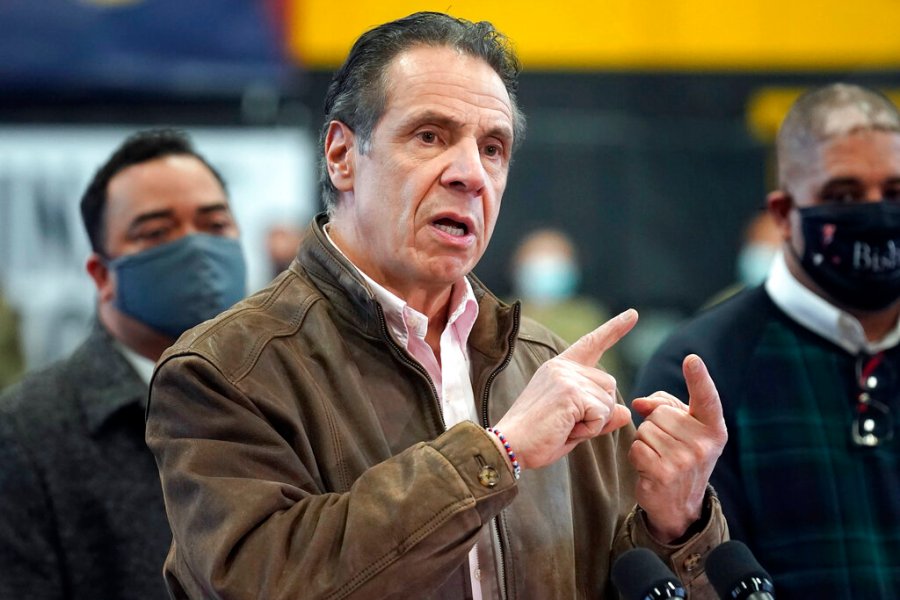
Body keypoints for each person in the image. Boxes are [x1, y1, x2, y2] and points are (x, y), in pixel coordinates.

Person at [146, 13, 728, 599]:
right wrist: (497, 453)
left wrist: (676, 526)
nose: (472, 174)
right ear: (342, 155)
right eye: (430, 136)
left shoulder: (547, 367)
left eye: (493, 148)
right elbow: (264, 582)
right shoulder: (224, 370)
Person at [634, 83, 900, 598]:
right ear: (782, 214)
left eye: (894, 193)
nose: (876, 214)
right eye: (843, 196)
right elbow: (682, 570)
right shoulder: (700, 369)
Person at [0, 129, 247, 600]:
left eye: (214, 225)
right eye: (155, 233)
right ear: (102, 275)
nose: (194, 250)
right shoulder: (26, 435)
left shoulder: (295, 392)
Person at [511, 227, 624, 386]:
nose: (546, 270)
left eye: (555, 260)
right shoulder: (500, 312)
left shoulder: (586, 316)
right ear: (517, 267)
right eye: (538, 259)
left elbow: (607, 374)